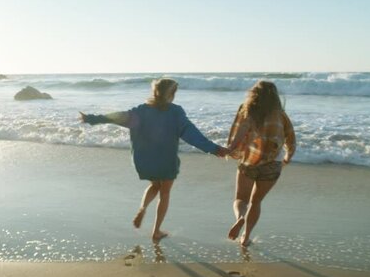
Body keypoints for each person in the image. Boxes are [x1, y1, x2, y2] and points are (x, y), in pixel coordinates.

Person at [80, 78, 227, 242]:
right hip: (166, 160)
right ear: (171, 94)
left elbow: (118, 117)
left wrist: (92, 118)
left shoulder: (141, 110)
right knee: (164, 192)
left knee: (154, 185)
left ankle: (143, 208)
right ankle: (156, 231)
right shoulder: (176, 112)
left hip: (144, 159)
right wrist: (215, 149)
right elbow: (191, 134)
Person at [225, 80, 296, 247]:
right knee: (256, 202)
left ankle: (240, 218)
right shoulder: (281, 115)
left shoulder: (247, 111)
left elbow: (238, 134)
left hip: (249, 162)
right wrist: (287, 157)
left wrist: (230, 150)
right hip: (273, 165)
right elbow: (291, 140)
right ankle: (246, 237)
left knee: (241, 199)